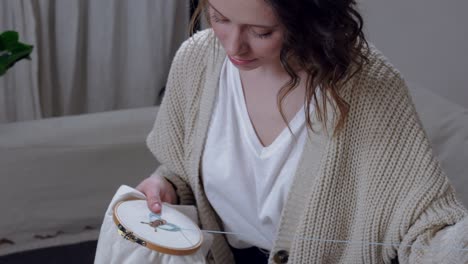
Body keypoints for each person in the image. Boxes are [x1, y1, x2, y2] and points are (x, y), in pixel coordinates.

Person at [136, 0, 468, 263]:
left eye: (261, 32)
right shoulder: (196, 60)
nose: (234, 47)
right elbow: (181, 171)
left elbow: (426, 227)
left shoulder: (371, 90)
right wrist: (166, 186)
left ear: (309, 20)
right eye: (220, 18)